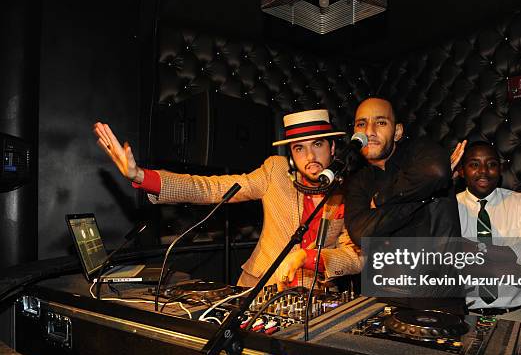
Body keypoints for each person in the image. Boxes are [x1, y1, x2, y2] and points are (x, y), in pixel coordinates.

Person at [93, 109, 361, 289]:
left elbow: (355, 256)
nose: (310, 157)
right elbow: (211, 188)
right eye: (299, 148)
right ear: (291, 155)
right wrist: (141, 175)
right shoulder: (275, 172)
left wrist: (310, 257)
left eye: (318, 144)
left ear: (333, 147)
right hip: (257, 288)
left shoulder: (349, 192)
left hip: (314, 296)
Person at [344, 97, 466, 314]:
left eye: (380, 122)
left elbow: (436, 172)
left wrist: (382, 200)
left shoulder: (420, 151)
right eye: (361, 124)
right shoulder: (357, 180)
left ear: (397, 131)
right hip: (380, 299)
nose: (369, 131)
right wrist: (424, 196)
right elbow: (361, 233)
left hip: (436, 299)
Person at [456, 141, 521, 322]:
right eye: (474, 164)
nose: (483, 171)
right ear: (462, 170)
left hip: (516, 315)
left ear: (500, 169)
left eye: (491, 164)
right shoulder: (449, 207)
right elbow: (445, 259)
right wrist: (503, 267)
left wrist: (472, 248)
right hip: (465, 316)